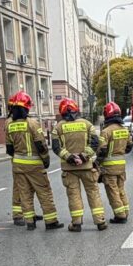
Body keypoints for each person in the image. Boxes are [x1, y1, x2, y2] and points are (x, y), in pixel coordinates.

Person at [5, 92, 62, 231]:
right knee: (44, 192)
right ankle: (51, 221)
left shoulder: (8, 124)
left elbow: (9, 148)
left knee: (24, 193)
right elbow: (41, 144)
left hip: (18, 164)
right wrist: (46, 160)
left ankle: (30, 222)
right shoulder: (32, 123)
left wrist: (19, 158)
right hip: (35, 165)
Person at [52, 98, 106, 232]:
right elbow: (94, 143)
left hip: (69, 169)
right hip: (87, 167)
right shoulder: (87, 124)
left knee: (73, 195)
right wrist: (83, 156)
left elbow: (56, 147)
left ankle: (76, 223)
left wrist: (70, 157)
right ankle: (100, 221)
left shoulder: (58, 127)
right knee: (93, 193)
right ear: (76, 109)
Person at [96, 102, 133, 224]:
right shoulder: (125, 130)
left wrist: (96, 163)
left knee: (113, 191)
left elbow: (102, 150)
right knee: (121, 189)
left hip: (109, 168)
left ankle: (120, 215)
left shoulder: (106, 131)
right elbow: (129, 148)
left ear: (107, 115)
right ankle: (125, 212)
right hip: (121, 166)